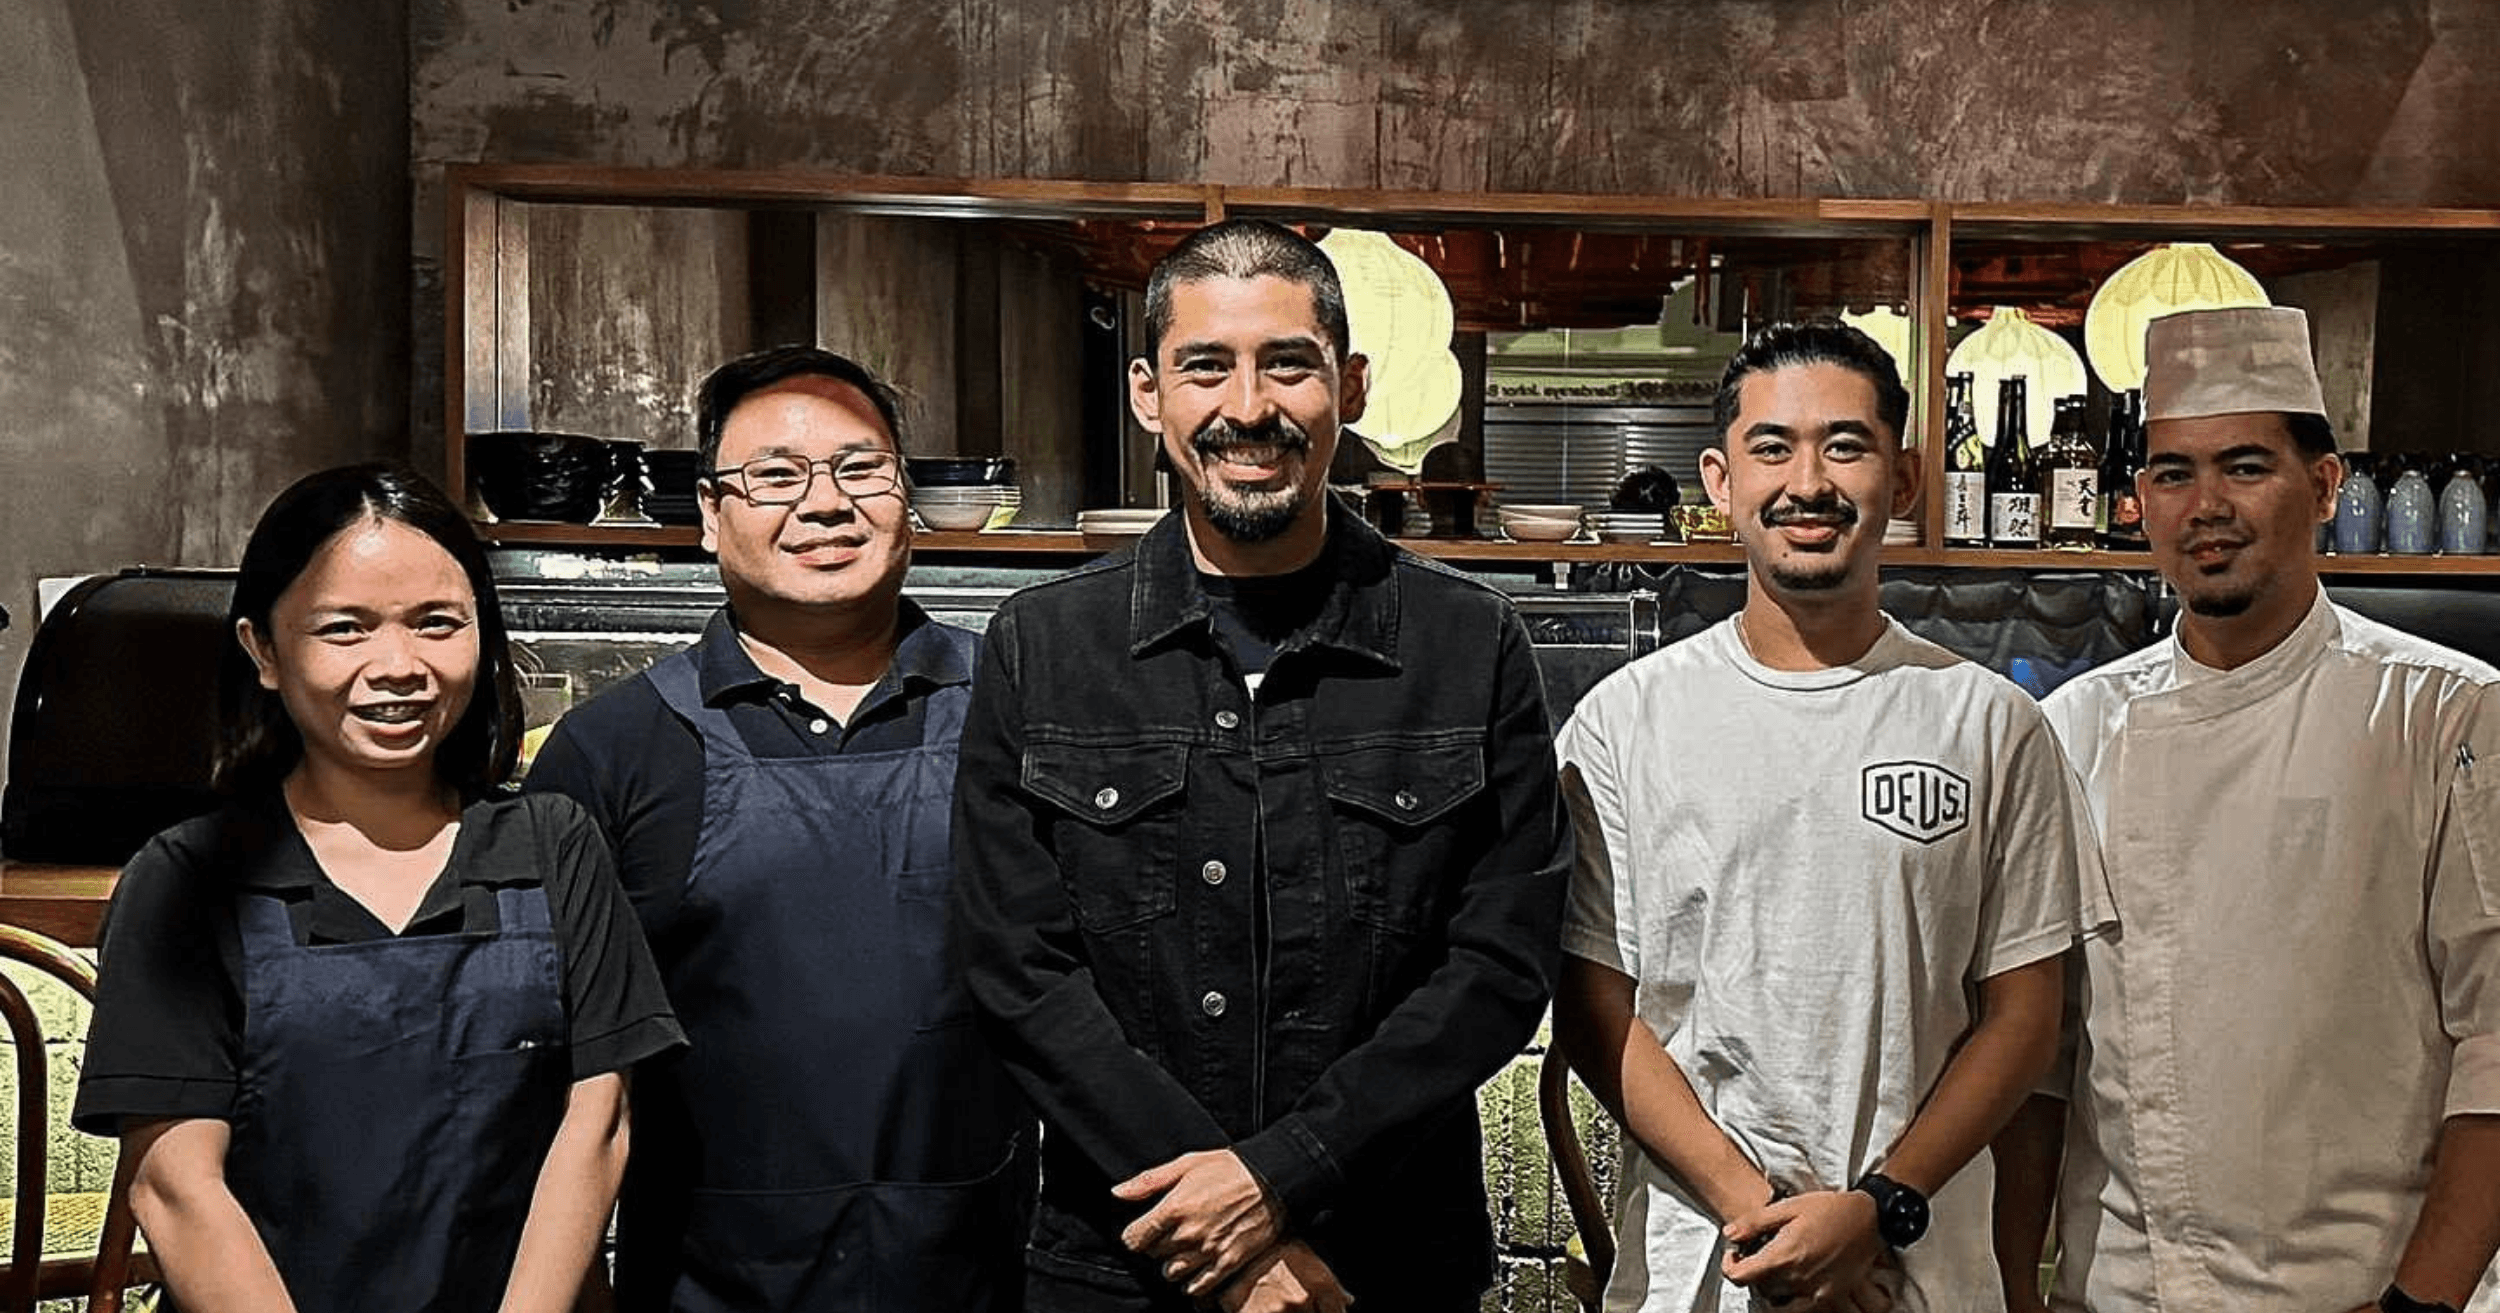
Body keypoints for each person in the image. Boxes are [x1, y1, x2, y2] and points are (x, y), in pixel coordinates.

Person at [949, 217, 1570, 1312]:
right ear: (1149, 394)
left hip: (1388, 1261)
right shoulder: (1042, 646)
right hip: (1121, 1260)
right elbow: (1017, 970)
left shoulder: (1469, 644)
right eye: (1206, 366)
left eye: (1288, 364)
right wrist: (1227, 1229)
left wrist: (1283, 1175)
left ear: (1351, 386)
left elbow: (1499, 964)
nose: (1247, 407)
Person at [1550, 319, 2106, 1313]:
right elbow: (1597, 1010)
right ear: (1720, 481)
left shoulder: (1991, 723)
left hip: (1920, 1273)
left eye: (1844, 446)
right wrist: (1762, 1216)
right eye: (1772, 448)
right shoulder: (1624, 721)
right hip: (1701, 1268)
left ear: (1905, 478)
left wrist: (1879, 1207)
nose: (1806, 481)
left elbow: (2024, 1017)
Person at [74, 462, 683, 1312]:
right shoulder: (189, 877)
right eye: (344, 628)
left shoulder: (554, 845)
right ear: (263, 649)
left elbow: (599, 1124)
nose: (398, 665)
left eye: (437, 622)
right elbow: (176, 1186)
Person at [2001, 305, 2500, 1313]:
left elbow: (2496, 1041)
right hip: (2125, 1289)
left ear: (2324, 486)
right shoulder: (2071, 729)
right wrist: (2012, 1288)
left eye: (2244, 466)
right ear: (2139, 499)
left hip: (2368, 1287)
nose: (2206, 506)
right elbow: (2039, 1062)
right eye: (2172, 474)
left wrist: (2419, 1302)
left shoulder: (2446, 712)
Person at [525, 345, 1034, 1311]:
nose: (826, 503)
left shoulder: (1018, 710)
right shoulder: (612, 751)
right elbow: (552, 1079)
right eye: (776, 476)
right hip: (707, 1286)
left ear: (906, 495)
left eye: (860, 468)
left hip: (984, 1277)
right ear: (710, 514)